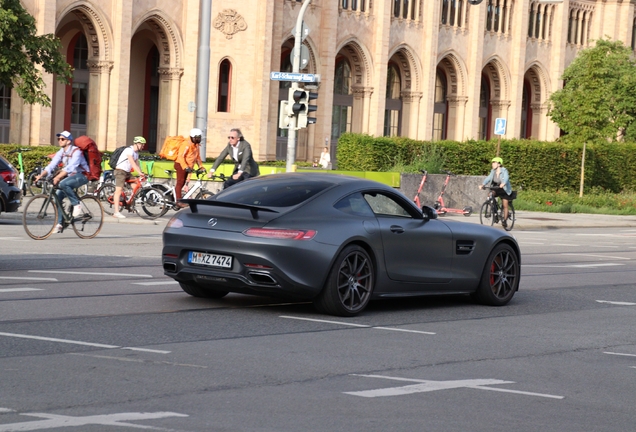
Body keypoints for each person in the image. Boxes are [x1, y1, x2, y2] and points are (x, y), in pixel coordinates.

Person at [35, 131, 90, 233]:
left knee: (63, 183)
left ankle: (76, 204)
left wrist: (58, 177)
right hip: (71, 176)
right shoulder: (62, 152)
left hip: (83, 175)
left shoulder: (76, 151)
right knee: (57, 197)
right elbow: (52, 164)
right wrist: (41, 175)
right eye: (59, 139)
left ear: (69, 141)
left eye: (62, 139)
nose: (60, 141)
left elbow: (71, 167)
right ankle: (60, 223)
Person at [112, 136, 146, 219]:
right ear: (137, 144)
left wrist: (142, 173)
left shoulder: (136, 153)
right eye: (142, 144)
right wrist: (139, 173)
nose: (143, 146)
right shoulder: (129, 150)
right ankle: (116, 212)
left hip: (127, 172)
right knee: (118, 191)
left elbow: (137, 164)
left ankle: (128, 204)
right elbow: (133, 164)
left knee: (136, 186)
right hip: (120, 171)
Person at [174, 128, 205, 207]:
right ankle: (178, 202)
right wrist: (185, 167)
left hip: (188, 166)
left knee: (183, 183)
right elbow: (181, 156)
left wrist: (201, 167)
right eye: (196, 138)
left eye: (199, 137)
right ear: (191, 137)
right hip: (180, 164)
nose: (198, 139)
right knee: (180, 182)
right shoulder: (186, 144)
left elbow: (197, 157)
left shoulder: (196, 145)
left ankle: (174, 197)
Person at [480, 156, 513, 227]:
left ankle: (504, 220)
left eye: (494, 163)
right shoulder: (493, 171)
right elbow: (488, 178)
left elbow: (506, 177)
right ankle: (495, 211)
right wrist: (483, 184)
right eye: (492, 163)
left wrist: (503, 183)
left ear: (499, 164)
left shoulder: (504, 170)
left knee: (505, 205)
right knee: (490, 195)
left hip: (504, 189)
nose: (492, 164)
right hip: (496, 188)